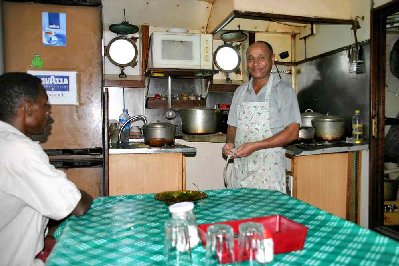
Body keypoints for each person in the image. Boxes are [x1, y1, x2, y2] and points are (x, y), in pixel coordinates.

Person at [0, 72, 93, 265]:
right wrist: (84, 194)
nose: (48, 113)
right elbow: (78, 205)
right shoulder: (20, 150)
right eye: (44, 105)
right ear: (27, 108)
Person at [222, 41, 301, 193]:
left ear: (272, 59)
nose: (255, 64)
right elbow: (232, 126)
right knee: (241, 215)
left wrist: (255, 146)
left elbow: (293, 132)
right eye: (251, 59)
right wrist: (229, 143)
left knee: (266, 215)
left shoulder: (283, 91)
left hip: (268, 171)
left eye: (261, 58)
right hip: (241, 170)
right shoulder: (240, 91)